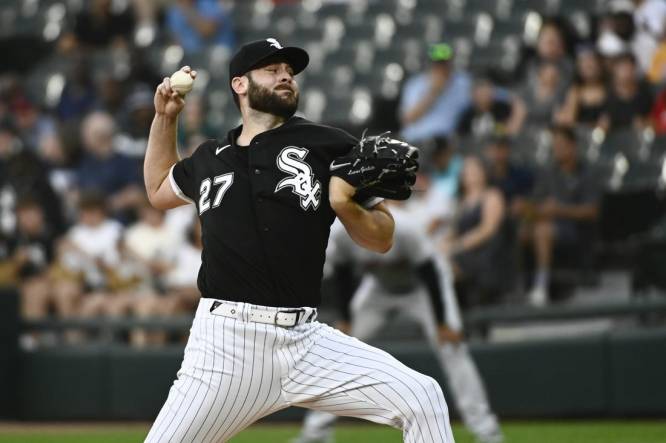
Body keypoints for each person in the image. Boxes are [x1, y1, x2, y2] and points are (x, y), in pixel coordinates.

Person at [143, 39, 454, 442]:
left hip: (305, 340)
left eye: (289, 70)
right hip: (225, 346)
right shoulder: (210, 156)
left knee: (423, 397)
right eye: (271, 69)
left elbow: (382, 239)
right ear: (240, 84)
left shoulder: (330, 145)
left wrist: (346, 204)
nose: (286, 75)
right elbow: (156, 189)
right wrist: (164, 119)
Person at [293, 206, 503, 443]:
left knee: (453, 349)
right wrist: (345, 319)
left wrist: (443, 322)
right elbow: (342, 274)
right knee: (336, 351)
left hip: (423, 289)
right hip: (379, 289)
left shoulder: (404, 227)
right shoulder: (342, 233)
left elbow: (430, 272)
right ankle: (315, 434)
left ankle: (487, 432)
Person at [524, 126, 600, 307]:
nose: (557, 149)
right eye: (554, 145)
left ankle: (540, 285)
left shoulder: (587, 173)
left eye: (561, 145)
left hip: (575, 228)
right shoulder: (548, 172)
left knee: (542, 231)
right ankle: (516, 286)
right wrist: (528, 209)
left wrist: (558, 210)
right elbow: (535, 203)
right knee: (523, 230)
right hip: (546, 222)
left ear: (572, 146)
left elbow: (592, 210)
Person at [441, 157, 509, 308]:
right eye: (467, 171)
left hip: (484, 252)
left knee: (449, 266)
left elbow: (488, 229)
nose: (470, 174)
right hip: (462, 252)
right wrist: (441, 245)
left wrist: (458, 246)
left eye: (474, 170)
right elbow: (453, 231)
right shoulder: (461, 202)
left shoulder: (492, 195)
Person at [399, 42, 472, 144]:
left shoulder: (463, 83)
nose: (441, 68)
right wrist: (433, 92)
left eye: (444, 63)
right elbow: (408, 118)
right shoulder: (415, 84)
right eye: (437, 64)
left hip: (446, 143)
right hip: (416, 140)